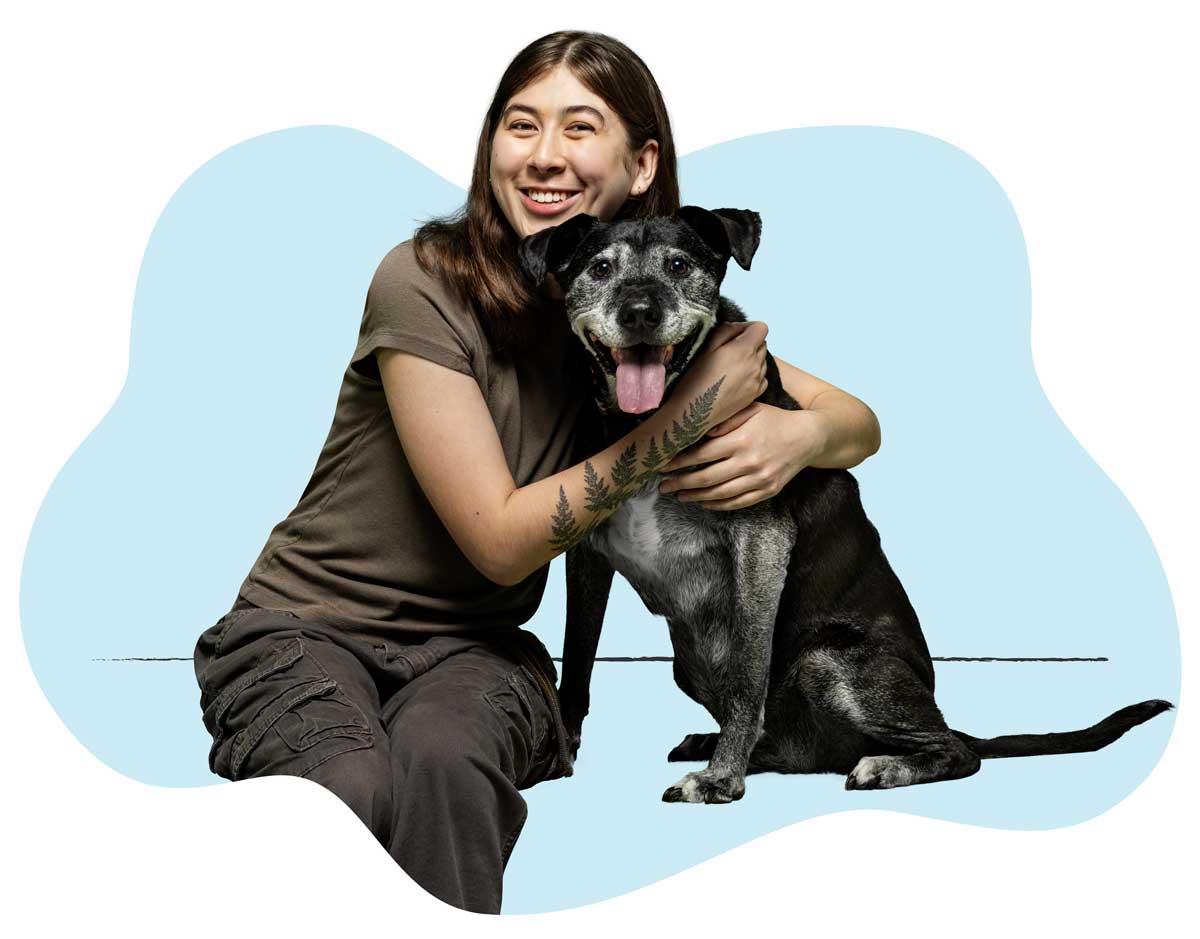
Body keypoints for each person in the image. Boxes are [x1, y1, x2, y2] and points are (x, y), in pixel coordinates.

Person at [192, 29, 881, 914]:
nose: (544, 155)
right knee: (348, 785)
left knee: (449, 771)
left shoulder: (636, 308)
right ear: (490, 148)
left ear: (641, 165)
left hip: (476, 653)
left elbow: (855, 420)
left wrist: (797, 440)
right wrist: (687, 416)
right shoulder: (422, 281)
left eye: (579, 128)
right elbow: (498, 541)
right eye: (520, 125)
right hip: (306, 627)